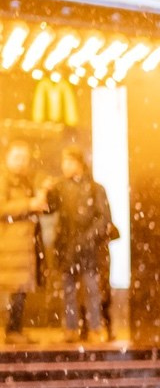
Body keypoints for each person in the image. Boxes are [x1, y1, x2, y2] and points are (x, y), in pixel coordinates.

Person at [47, 146, 117, 341]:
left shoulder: (95, 189)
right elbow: (49, 208)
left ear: (79, 164)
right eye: (64, 162)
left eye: (69, 162)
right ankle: (72, 329)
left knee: (91, 289)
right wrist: (47, 193)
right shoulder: (60, 187)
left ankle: (95, 327)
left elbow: (104, 218)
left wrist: (87, 238)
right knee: (70, 290)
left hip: (88, 249)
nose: (65, 166)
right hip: (67, 247)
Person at [0, 140, 45, 339]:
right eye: (17, 157)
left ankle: (15, 329)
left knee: (19, 290)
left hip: (22, 247)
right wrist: (29, 204)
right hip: (8, 246)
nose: (21, 162)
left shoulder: (26, 181)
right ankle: (12, 330)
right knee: (13, 289)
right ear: (7, 158)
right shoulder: (4, 179)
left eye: (25, 158)